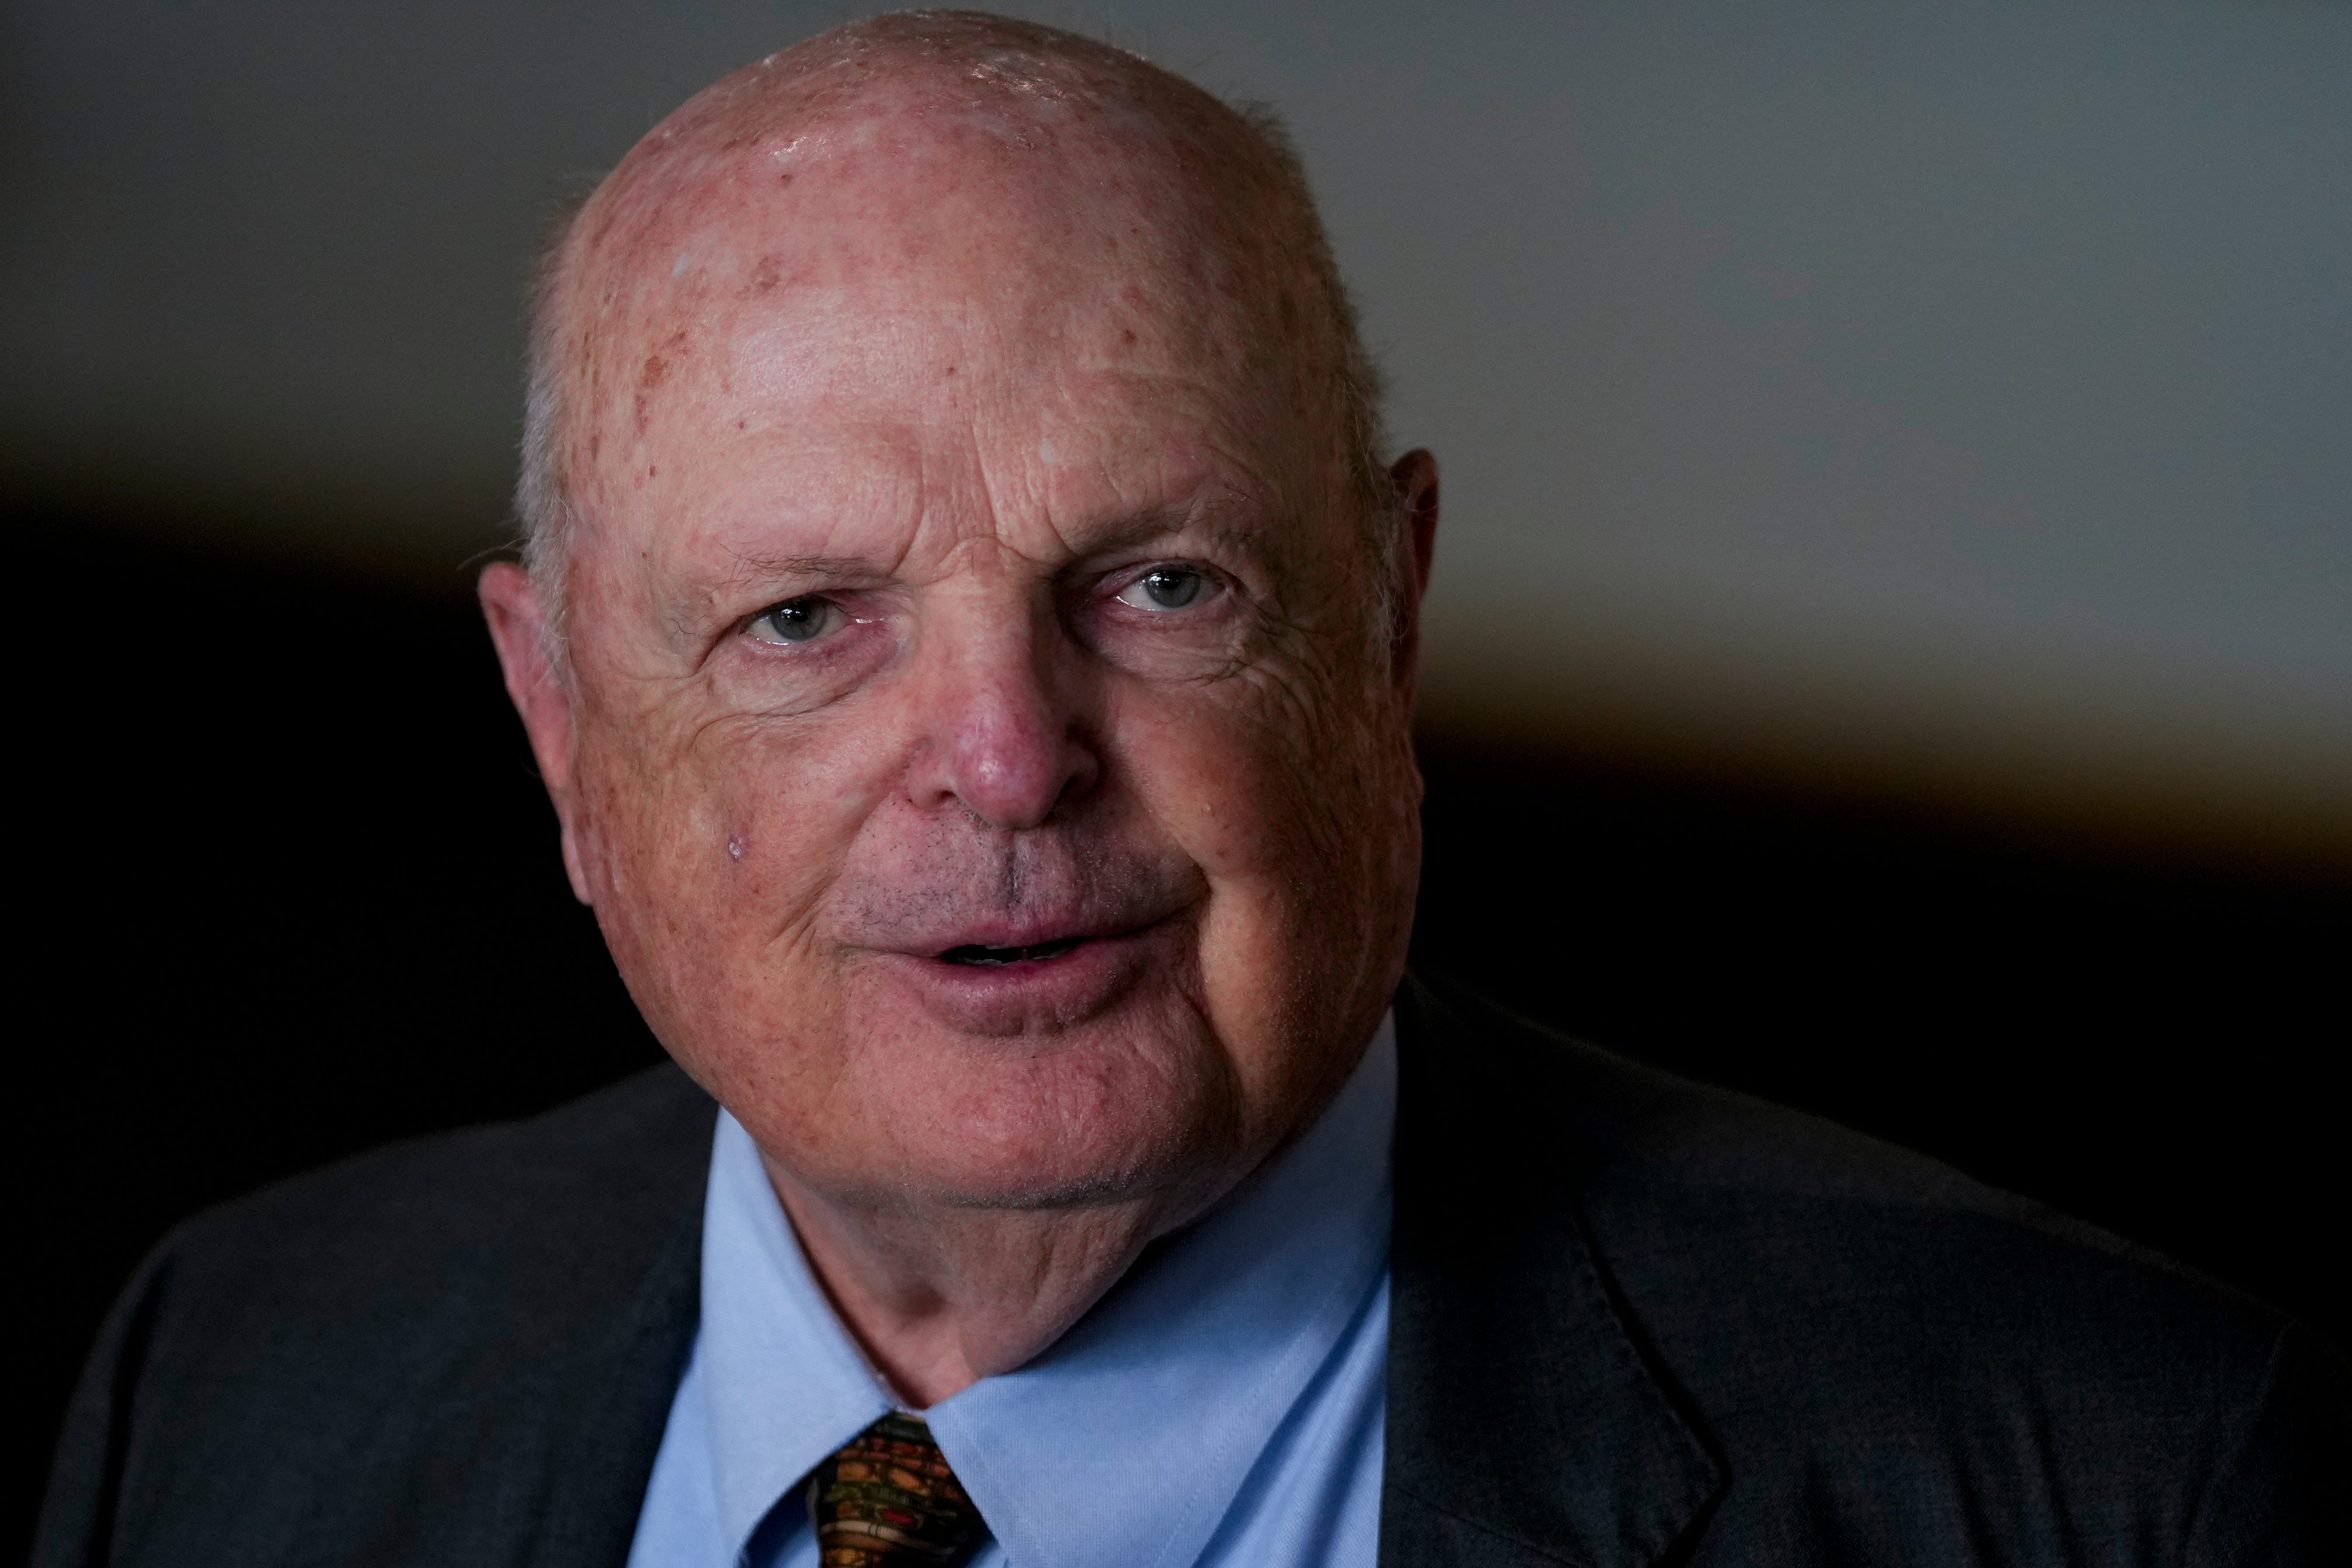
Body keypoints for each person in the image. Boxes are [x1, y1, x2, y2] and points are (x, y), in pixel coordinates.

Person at [35, 12, 2343, 1567]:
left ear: (1384, 616)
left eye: (1156, 581)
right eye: (806, 617)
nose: (1006, 756)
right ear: (555, 722)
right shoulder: (235, 1377)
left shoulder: (2109, 1471)